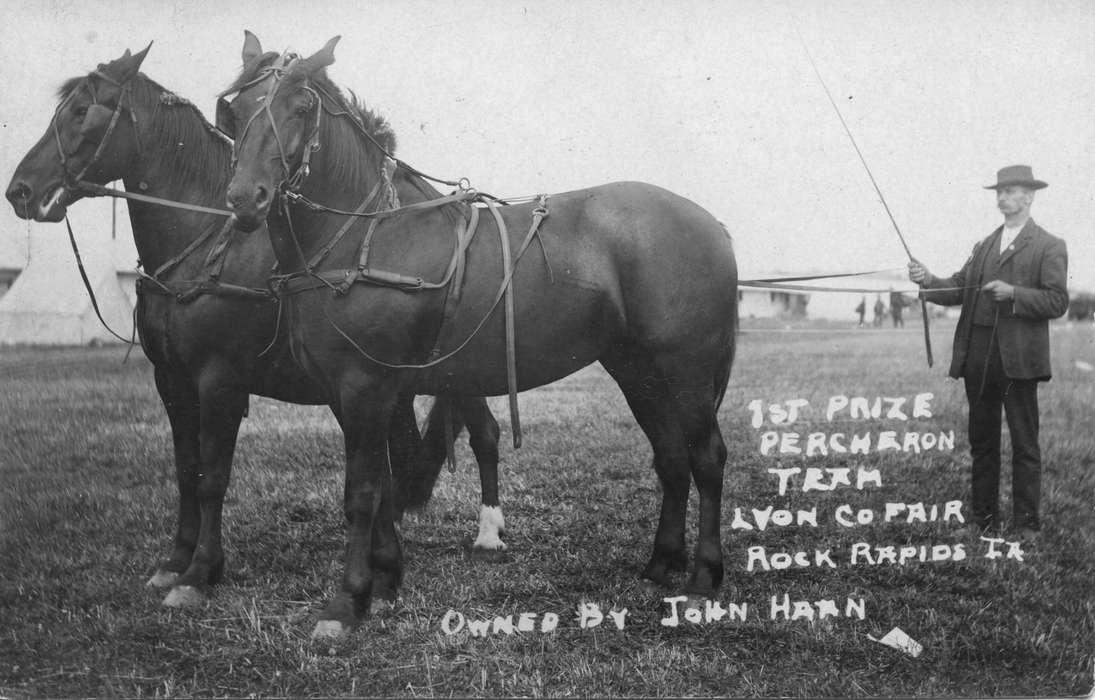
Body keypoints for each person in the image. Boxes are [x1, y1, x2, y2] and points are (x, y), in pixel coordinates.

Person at [908, 165, 1068, 540]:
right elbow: (957, 289)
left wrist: (1013, 294)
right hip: (977, 358)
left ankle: (1027, 524)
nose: (1003, 198)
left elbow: (1057, 300)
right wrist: (928, 279)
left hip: (1018, 362)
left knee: (1025, 443)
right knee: (982, 442)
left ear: (1029, 197)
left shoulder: (1049, 244)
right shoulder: (983, 245)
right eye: (1000, 192)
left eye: (1011, 192)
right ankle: (984, 520)